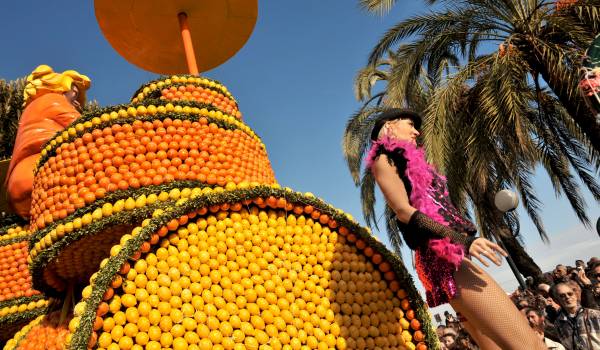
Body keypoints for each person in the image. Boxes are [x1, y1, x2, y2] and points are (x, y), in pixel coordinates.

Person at [365, 109, 546, 350]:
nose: (417, 131)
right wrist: (463, 240)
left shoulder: (412, 161)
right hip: (441, 256)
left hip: (448, 255)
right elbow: (403, 211)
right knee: (529, 345)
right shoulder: (383, 159)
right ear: (389, 126)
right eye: (410, 124)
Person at [5, 65, 90, 218]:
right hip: (43, 172)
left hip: (18, 182)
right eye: (74, 94)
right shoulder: (53, 100)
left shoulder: (31, 108)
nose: (76, 101)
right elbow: (86, 128)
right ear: (61, 88)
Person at [552, 282, 600, 349]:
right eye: (562, 296)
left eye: (570, 294)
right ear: (556, 300)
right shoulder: (558, 324)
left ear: (575, 295)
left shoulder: (594, 315)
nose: (567, 297)